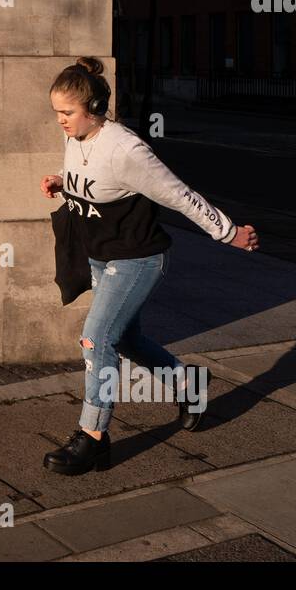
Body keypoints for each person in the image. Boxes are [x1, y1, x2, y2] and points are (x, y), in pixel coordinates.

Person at [39, 57, 259, 475]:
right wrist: (61, 182)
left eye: (67, 113)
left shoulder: (127, 149)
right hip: (101, 256)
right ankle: (187, 385)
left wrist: (229, 232)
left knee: (95, 338)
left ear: (94, 107)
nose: (61, 122)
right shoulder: (77, 138)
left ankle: (93, 437)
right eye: (57, 113)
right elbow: (93, 177)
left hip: (137, 259)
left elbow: (181, 196)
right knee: (125, 340)